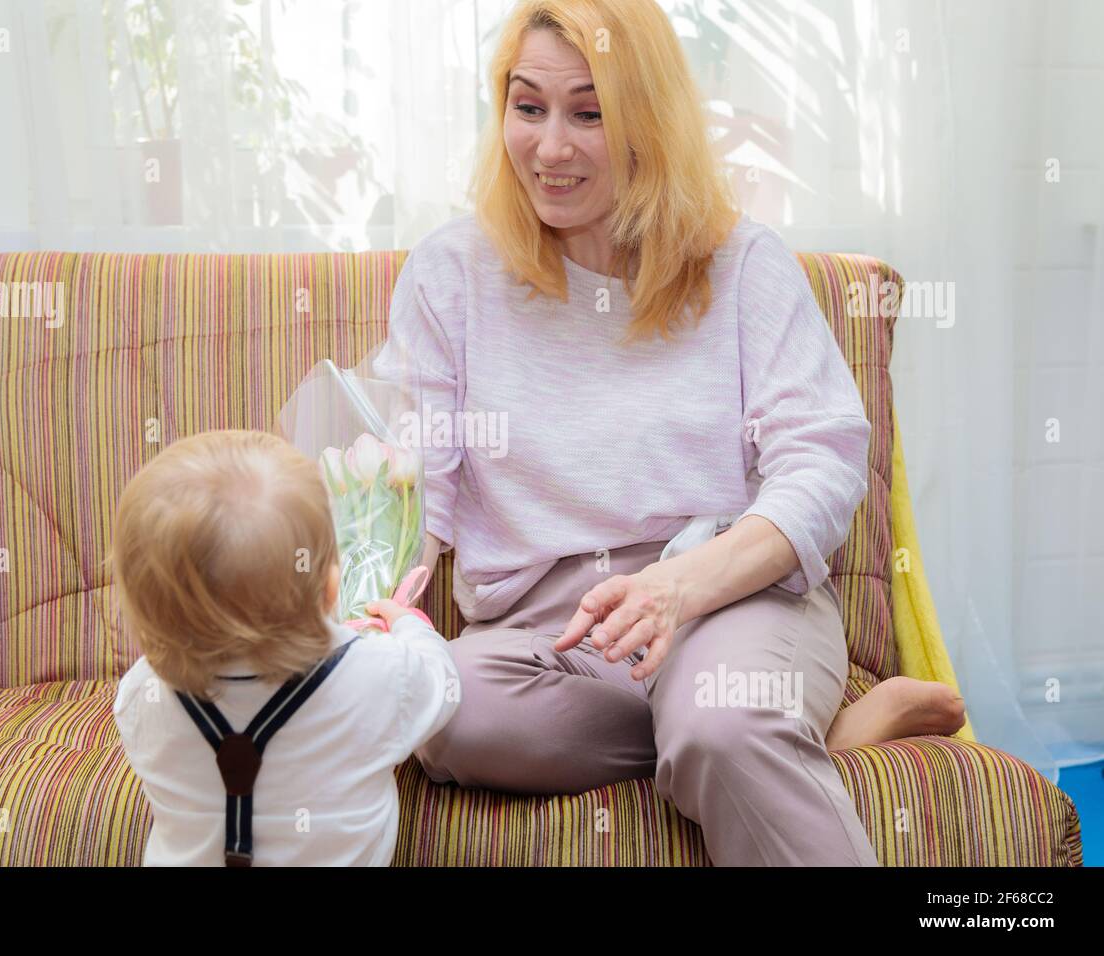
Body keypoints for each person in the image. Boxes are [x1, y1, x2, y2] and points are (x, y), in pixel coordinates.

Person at [373, 0, 965, 865]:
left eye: (591, 111)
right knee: (443, 711)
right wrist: (375, 614)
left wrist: (679, 589)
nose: (550, 147)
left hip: (727, 595)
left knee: (720, 714)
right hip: (551, 638)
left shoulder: (742, 264)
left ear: (649, 120)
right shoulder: (451, 273)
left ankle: (732, 732)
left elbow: (822, 464)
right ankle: (792, 736)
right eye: (528, 106)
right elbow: (418, 485)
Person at [109, 429, 460, 865]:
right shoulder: (380, 675)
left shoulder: (141, 696)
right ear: (332, 585)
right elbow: (443, 683)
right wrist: (411, 628)